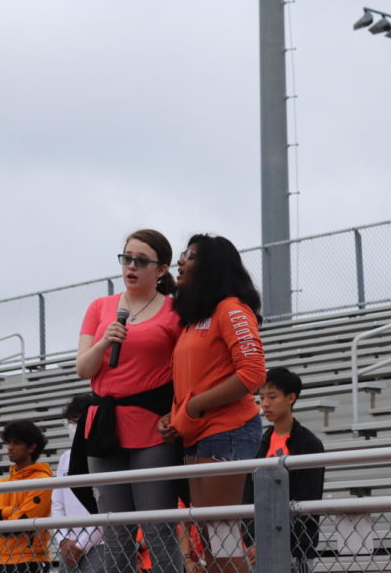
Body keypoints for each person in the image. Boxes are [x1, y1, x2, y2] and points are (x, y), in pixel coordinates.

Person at [73, 229, 183, 573]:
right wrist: (105, 340)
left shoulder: (174, 311)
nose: (131, 266)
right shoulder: (100, 307)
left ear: (161, 269)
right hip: (105, 424)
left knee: (157, 527)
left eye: (141, 260)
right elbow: (83, 369)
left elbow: (185, 369)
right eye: (126, 258)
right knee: (115, 530)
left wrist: (174, 413)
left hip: (152, 425)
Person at [159, 234, 266, 573]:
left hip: (227, 429)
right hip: (197, 433)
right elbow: (197, 380)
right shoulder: (194, 320)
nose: (180, 261)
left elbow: (252, 373)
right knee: (208, 532)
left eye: (189, 255)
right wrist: (176, 414)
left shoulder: (231, 307)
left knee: (220, 533)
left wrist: (193, 407)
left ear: (211, 266)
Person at [242, 367, 325, 573]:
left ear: (291, 398)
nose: (265, 404)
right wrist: (252, 541)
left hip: (295, 549)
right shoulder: (260, 443)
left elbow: (307, 500)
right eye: (261, 397)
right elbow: (248, 497)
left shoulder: (309, 444)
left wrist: (275, 542)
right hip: (258, 548)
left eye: (272, 396)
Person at [0, 420, 53, 573]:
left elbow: (19, 526)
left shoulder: (42, 481)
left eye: (16, 443)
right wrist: (8, 512)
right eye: (8, 442)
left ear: (32, 447)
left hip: (31, 560)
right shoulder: (0, 483)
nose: (10, 447)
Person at [51, 394, 105, 573]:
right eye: (69, 422)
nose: (72, 427)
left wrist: (81, 545)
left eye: (76, 421)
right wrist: (64, 541)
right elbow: (57, 505)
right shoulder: (65, 458)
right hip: (69, 548)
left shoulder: (103, 458)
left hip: (100, 543)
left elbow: (104, 507)